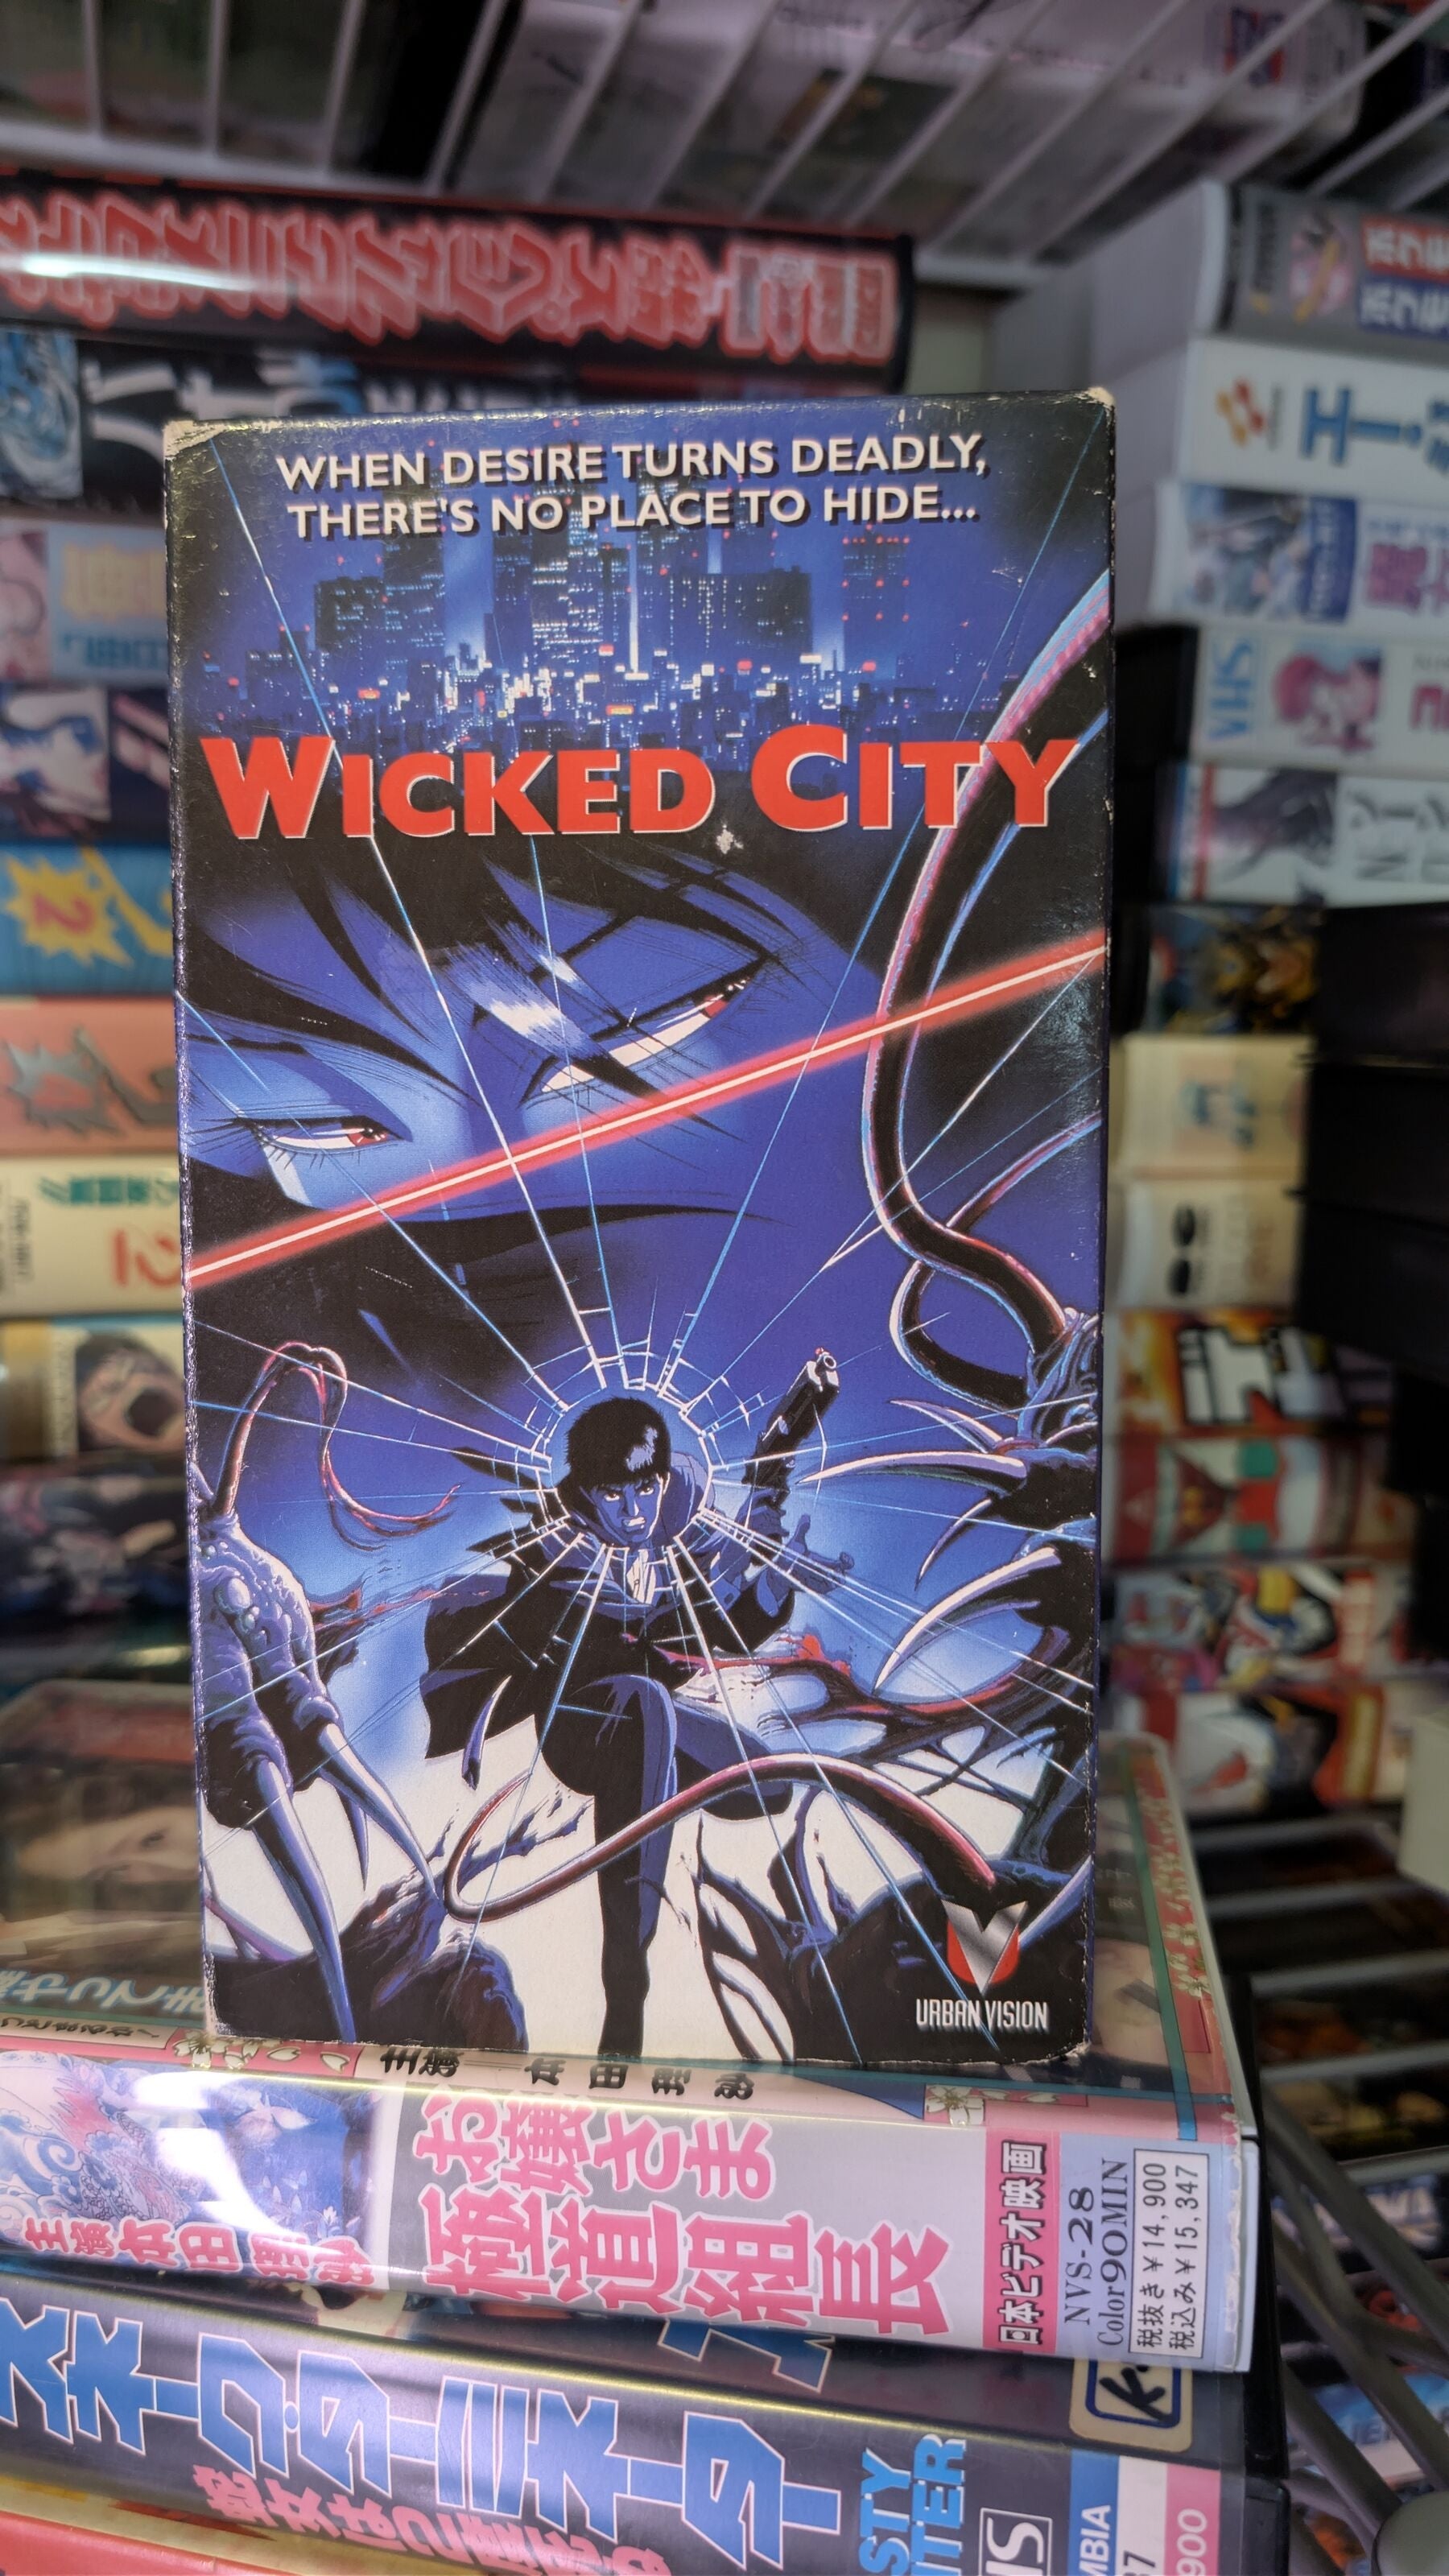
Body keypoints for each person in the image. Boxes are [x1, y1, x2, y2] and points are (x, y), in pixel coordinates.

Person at [423, 1391, 844, 2055]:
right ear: (588, 1494)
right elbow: (615, 1648)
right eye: (614, 1495)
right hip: (580, 1725)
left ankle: (655, 1778)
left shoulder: (676, 1533)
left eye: (646, 1489)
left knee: (768, 1782)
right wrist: (681, 1602)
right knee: (647, 1703)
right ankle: (628, 1988)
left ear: (664, 1480)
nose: (633, 1511)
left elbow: (710, 1633)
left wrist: (773, 1582)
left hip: (650, 1713)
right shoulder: (554, 1555)